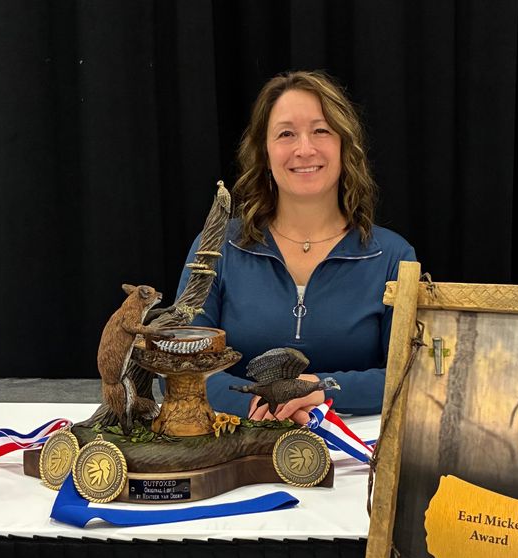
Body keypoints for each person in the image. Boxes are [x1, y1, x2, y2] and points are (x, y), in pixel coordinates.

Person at [176, 70, 416, 424]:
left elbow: (411, 374)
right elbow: (181, 366)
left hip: (355, 457)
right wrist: (259, 405)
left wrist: (321, 388)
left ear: (344, 145)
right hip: (238, 443)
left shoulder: (393, 257)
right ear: (264, 151)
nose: (305, 149)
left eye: (321, 130)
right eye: (286, 134)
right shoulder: (217, 249)